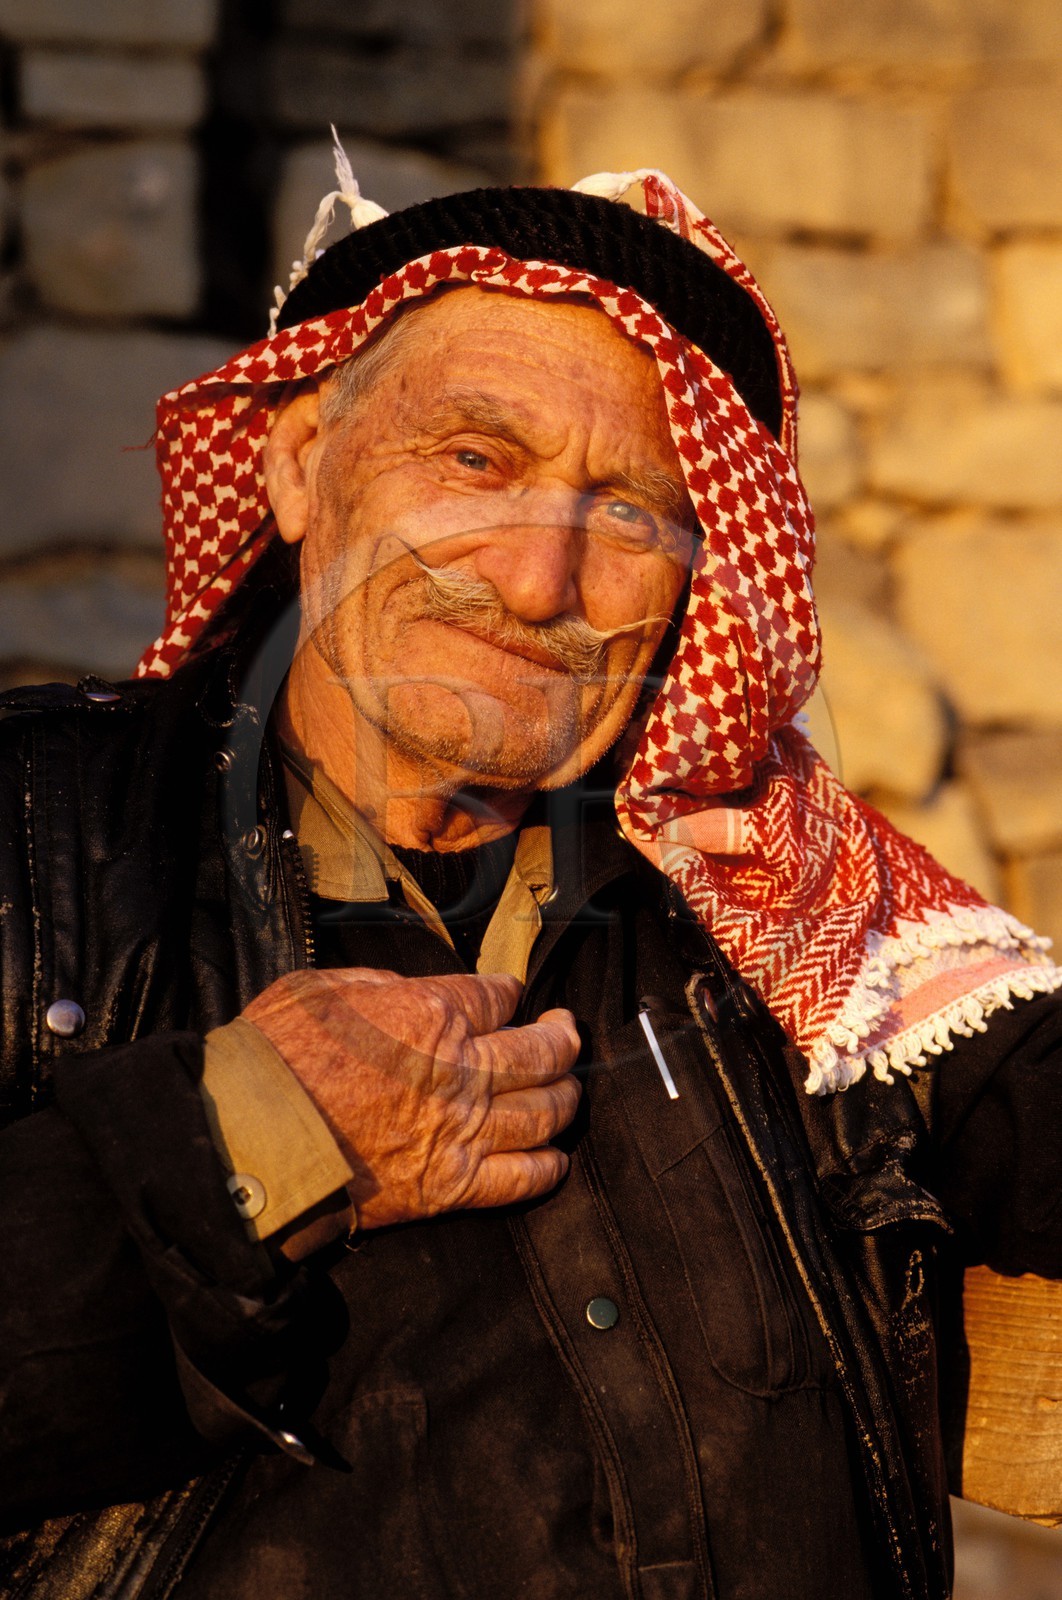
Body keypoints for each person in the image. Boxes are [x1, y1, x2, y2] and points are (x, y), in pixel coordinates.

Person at [2, 161, 1062, 1600]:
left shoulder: (783, 918)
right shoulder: (32, 837)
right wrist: (242, 1144)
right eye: (473, 464)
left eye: (632, 512)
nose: (536, 580)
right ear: (298, 461)